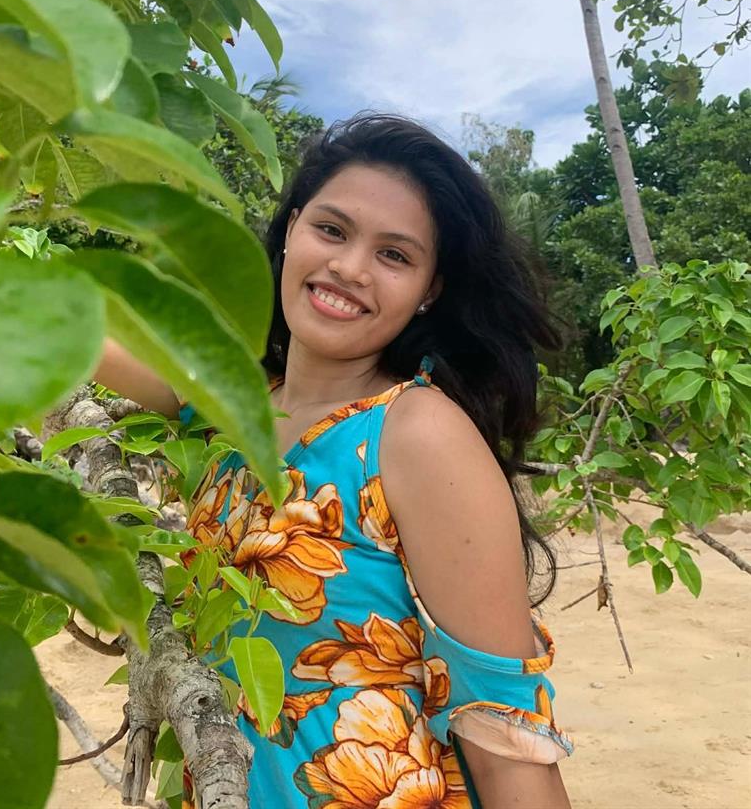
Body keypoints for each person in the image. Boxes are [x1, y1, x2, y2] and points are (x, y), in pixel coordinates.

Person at [96, 115, 574, 808]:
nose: (349, 268)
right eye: (331, 230)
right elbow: (63, 334)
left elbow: (506, 732)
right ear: (291, 229)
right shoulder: (236, 402)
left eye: (394, 255)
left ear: (429, 290)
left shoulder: (417, 434)